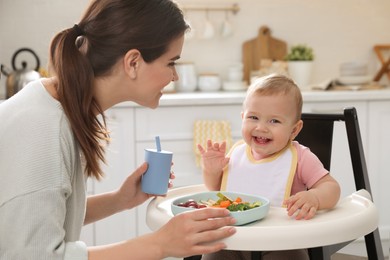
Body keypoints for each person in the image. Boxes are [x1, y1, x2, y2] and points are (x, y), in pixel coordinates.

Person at [0, 0, 237, 259]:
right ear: (133, 62)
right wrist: (159, 244)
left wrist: (119, 200)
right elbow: (33, 255)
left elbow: (45, 218)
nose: (174, 77)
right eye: (171, 63)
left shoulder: (55, 105)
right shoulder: (44, 131)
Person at [197, 74, 341, 260]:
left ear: (294, 130)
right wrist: (211, 171)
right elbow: (217, 190)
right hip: (233, 239)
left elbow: (332, 188)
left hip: (281, 241)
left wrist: (314, 197)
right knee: (211, 250)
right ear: (243, 118)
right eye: (254, 117)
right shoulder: (237, 153)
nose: (261, 127)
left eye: (274, 121)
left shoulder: (300, 157)